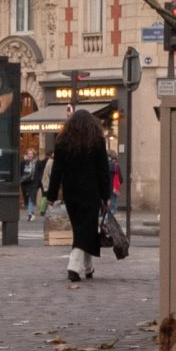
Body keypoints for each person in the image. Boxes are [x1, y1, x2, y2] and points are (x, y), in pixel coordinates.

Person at [48, 108, 114, 285]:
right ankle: (73, 267)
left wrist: (52, 194)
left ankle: (88, 267)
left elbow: (57, 171)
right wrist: (106, 194)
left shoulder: (63, 141)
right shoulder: (97, 141)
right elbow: (103, 170)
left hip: (71, 192)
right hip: (91, 191)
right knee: (85, 228)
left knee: (82, 228)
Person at [20, 146, 45, 218]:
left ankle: (30, 213)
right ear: (26, 154)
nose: (30, 155)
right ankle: (31, 210)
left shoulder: (38, 162)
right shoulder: (23, 162)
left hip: (34, 183)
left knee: (31, 197)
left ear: (34, 155)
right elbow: (19, 172)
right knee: (27, 198)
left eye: (31, 154)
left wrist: (40, 182)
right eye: (29, 153)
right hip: (25, 183)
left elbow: (41, 172)